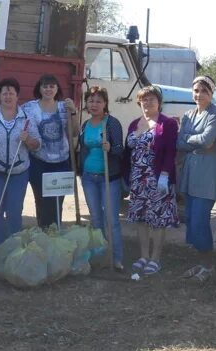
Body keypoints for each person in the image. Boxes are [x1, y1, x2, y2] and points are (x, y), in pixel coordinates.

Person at [0, 77, 41, 250]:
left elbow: (37, 145)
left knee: (14, 212)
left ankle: (13, 251)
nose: (8, 96)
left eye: (11, 93)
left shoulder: (27, 118)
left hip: (18, 172)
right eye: (4, 93)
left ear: (17, 96)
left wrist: (28, 139)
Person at [124, 85, 179, 275]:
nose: (147, 102)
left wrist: (164, 175)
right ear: (139, 102)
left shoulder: (168, 124)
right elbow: (129, 151)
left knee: (158, 220)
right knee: (141, 219)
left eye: (152, 99)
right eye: (144, 99)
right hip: (137, 180)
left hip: (157, 179)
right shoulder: (133, 124)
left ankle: (155, 258)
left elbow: (171, 152)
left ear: (159, 102)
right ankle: (143, 256)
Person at [177, 75, 216, 282]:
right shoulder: (188, 114)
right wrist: (194, 142)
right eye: (196, 90)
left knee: (199, 219)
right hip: (190, 170)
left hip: (207, 172)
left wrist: (189, 140)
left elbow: (208, 139)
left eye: (204, 91)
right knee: (189, 218)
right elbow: (179, 142)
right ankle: (200, 261)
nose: (199, 95)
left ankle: (209, 266)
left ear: (211, 93)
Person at [77, 86, 125, 270]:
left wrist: (110, 148)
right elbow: (83, 149)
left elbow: (120, 150)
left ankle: (116, 258)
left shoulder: (112, 123)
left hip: (108, 177)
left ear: (105, 103)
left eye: (98, 101)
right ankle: (101, 257)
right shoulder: (86, 125)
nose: (94, 104)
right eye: (91, 101)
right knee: (96, 220)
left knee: (111, 220)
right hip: (89, 177)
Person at [23, 74, 77, 228]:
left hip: (61, 163)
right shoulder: (29, 108)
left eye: (52, 86)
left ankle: (55, 233)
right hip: (39, 162)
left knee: (57, 203)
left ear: (57, 89)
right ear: (39, 88)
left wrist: (73, 113)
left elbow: (74, 132)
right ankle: (43, 233)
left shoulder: (64, 107)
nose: (48, 89)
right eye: (45, 86)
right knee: (41, 202)